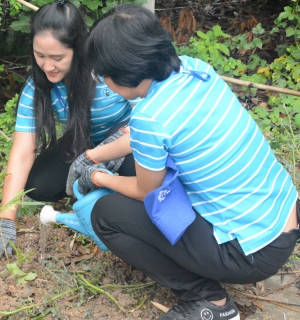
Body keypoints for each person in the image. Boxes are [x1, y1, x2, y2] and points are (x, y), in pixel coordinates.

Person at [71, 4, 300, 320]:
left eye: (102, 74)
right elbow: (142, 139)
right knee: (129, 166)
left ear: (122, 73)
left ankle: (209, 301)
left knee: (106, 214)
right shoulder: (194, 69)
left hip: (252, 254)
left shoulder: (149, 117)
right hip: (282, 214)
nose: (101, 81)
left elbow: (145, 190)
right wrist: (92, 155)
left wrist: (98, 178)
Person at [0, 0, 138, 263]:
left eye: (57, 58)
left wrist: (111, 148)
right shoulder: (38, 86)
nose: (47, 66)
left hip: (128, 142)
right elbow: (22, 153)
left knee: (139, 174)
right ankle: (96, 184)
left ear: (78, 50)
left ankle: (115, 196)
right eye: (39, 55)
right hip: (83, 145)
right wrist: (5, 219)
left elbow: (153, 120)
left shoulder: (108, 71)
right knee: (37, 186)